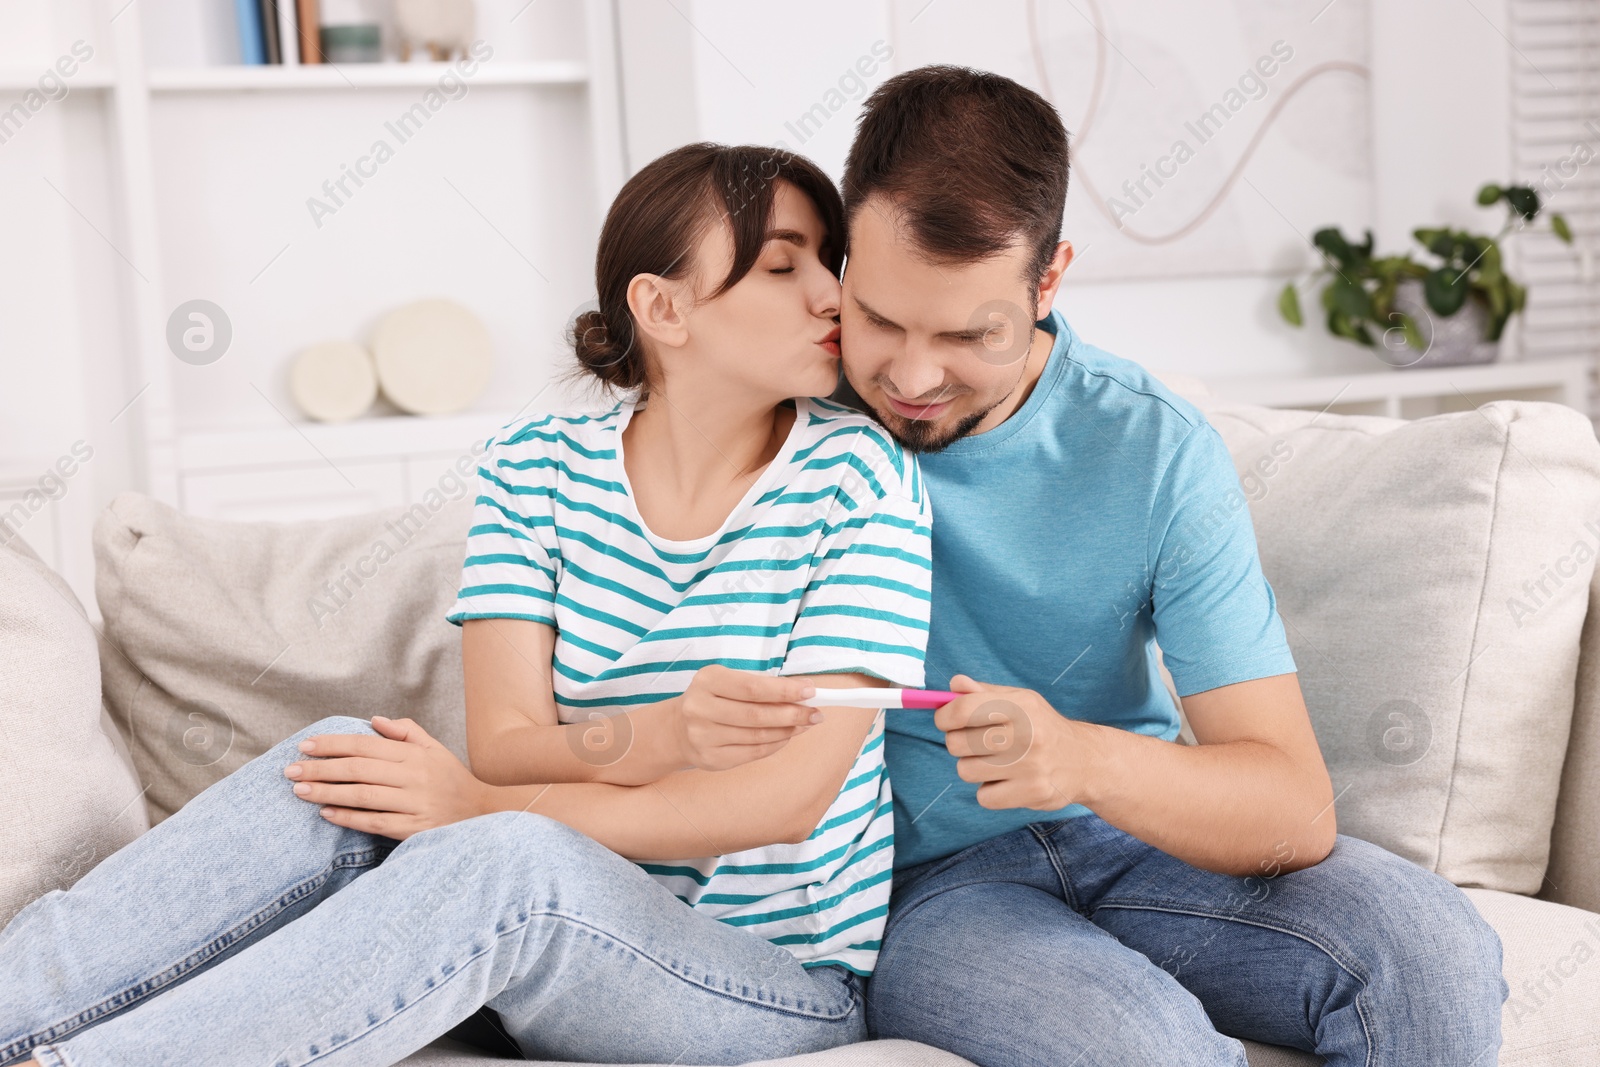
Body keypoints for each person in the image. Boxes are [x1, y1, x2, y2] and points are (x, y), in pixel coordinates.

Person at [0, 143, 933, 1067]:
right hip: (552, 926)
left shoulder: (860, 478)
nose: (829, 295)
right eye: (783, 265)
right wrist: (662, 735)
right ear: (662, 306)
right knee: (335, 768)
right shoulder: (539, 464)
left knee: (512, 857)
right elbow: (509, 739)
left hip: (772, 982)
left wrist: (487, 808)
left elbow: (786, 799)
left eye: (827, 262)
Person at [830, 65, 1508, 1067]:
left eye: (967, 333)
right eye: (879, 321)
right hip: (935, 891)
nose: (913, 376)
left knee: (1432, 944)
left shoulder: (1153, 447)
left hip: (1135, 841)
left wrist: (1081, 757)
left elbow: (1288, 805)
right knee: (1139, 1041)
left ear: (1048, 280)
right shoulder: (786, 418)